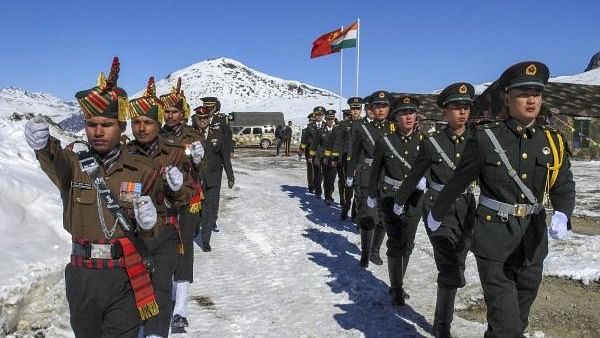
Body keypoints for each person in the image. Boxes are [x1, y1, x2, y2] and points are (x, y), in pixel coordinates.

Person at [428, 61, 575, 337]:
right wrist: (437, 212)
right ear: (507, 97)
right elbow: (458, 181)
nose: (531, 99)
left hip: (532, 241)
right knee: (508, 328)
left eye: (536, 92)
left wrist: (563, 213)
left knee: (515, 322)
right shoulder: (486, 138)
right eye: (522, 93)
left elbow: (563, 184)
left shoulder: (552, 140)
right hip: (494, 242)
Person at [24, 57, 164, 337]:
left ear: (121, 127)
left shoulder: (142, 171)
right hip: (83, 275)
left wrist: (150, 224)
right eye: (91, 124)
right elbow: (55, 161)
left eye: (107, 124)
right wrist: (44, 146)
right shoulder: (74, 163)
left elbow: (156, 228)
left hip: (125, 273)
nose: (98, 131)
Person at [394, 83, 476, 335]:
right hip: (438, 211)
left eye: (466, 107)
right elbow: (415, 174)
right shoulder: (432, 143)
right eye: (455, 107)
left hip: (467, 208)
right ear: (444, 112)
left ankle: (447, 303)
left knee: (459, 261)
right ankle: (442, 326)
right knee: (448, 265)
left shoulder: (479, 141)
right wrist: (399, 200)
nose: (462, 112)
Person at [127, 76, 199, 337]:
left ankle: (175, 312)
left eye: (148, 122)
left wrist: (180, 188)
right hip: (132, 232)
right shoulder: (125, 153)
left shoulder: (175, 151)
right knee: (133, 290)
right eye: (136, 122)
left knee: (160, 286)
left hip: (167, 227)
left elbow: (191, 188)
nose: (142, 128)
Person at [366, 95, 425, 305]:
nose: (408, 117)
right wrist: (372, 194)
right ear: (396, 116)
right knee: (395, 242)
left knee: (408, 244)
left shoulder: (424, 142)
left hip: (415, 200)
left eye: (411, 112)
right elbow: (375, 171)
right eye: (403, 113)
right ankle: (396, 287)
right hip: (391, 198)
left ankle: (397, 282)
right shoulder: (385, 142)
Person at [158, 77, 205, 333]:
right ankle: (168, 294)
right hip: (164, 200)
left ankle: (180, 308)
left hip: (188, 200)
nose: (170, 115)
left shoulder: (194, 135)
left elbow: (202, 169)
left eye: (175, 111)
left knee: (184, 248)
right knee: (165, 248)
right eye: (167, 111)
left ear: (183, 113)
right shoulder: (158, 136)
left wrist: (198, 161)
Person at [347, 91, 395, 268]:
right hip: (367, 175)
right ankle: (365, 253)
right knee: (368, 215)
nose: (381, 110)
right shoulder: (363, 128)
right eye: (377, 106)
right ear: (372, 108)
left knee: (383, 217)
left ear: (389, 108)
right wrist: (350, 174)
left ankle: (375, 250)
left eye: (384, 106)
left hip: (388, 176)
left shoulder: (394, 128)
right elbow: (355, 153)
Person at [192, 105, 235, 252]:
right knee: (198, 209)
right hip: (196, 179)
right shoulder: (191, 135)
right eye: (200, 118)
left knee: (210, 209)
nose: (202, 121)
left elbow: (224, 156)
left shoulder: (217, 134)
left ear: (209, 119)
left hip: (214, 178)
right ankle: (197, 226)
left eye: (205, 118)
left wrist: (230, 176)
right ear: (196, 119)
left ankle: (205, 240)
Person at [334, 97, 363, 220]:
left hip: (361, 161)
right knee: (348, 187)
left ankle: (356, 214)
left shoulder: (365, 124)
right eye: (353, 108)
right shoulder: (344, 124)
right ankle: (345, 208)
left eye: (357, 108)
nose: (355, 111)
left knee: (359, 188)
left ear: (361, 110)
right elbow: (338, 142)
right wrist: (336, 157)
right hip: (347, 160)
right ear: (350, 110)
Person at [312, 109, 338, 203]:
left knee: (332, 178)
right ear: (325, 119)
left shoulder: (338, 130)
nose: (330, 121)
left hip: (335, 158)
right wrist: (315, 157)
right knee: (327, 177)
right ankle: (327, 197)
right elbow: (315, 144)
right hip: (324, 158)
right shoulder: (320, 131)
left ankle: (330, 193)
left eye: (332, 118)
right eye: (328, 119)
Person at [301, 107, 326, 198]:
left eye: (320, 114)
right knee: (314, 170)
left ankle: (317, 184)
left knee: (324, 172)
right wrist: (301, 150)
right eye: (317, 114)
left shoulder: (326, 125)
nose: (319, 116)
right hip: (313, 152)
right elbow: (305, 139)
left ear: (323, 115)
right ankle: (316, 189)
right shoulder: (310, 127)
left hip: (325, 152)